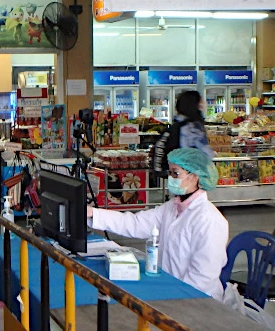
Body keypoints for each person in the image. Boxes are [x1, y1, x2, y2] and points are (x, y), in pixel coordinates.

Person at [89, 147, 229, 301]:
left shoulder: (209, 220)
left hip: (198, 301)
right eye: (169, 172)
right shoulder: (172, 207)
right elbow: (135, 224)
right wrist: (93, 213)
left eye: (175, 173)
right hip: (170, 288)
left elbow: (203, 278)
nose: (170, 178)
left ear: (195, 177)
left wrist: (175, 300)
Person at [150, 90, 215, 183]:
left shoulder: (177, 124)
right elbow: (205, 153)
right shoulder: (193, 127)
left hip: (176, 174)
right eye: (200, 102)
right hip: (189, 176)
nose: (203, 104)